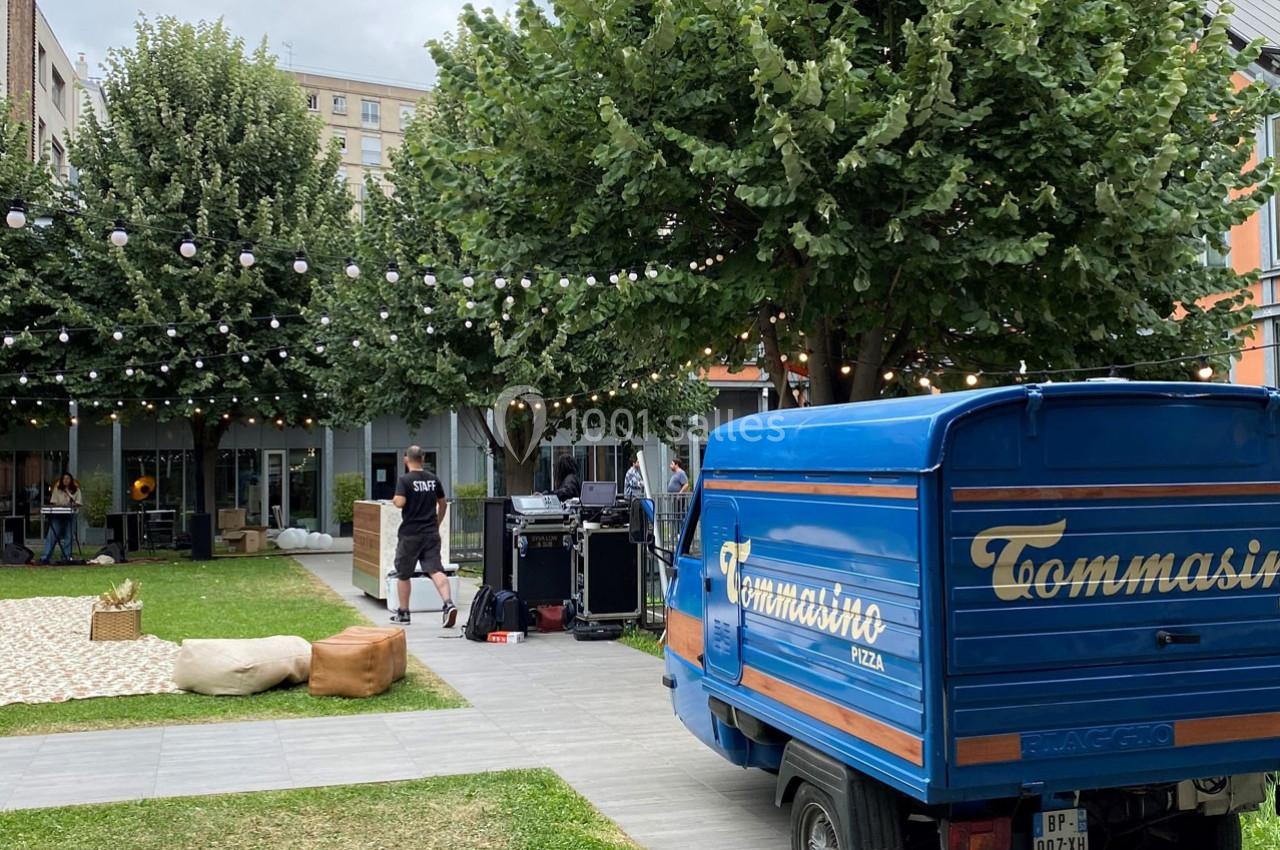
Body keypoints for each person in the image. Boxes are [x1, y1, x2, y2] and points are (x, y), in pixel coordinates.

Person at [390, 445, 455, 627]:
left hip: (410, 534)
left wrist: (395, 499)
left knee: (404, 574)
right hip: (430, 533)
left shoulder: (405, 480)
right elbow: (443, 504)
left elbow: (400, 502)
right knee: (435, 570)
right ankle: (448, 604)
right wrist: (437, 523)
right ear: (423, 459)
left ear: (406, 459)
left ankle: (403, 613)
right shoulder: (433, 479)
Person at [39, 472, 81, 564]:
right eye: (64, 479)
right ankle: (45, 557)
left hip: (71, 515)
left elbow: (78, 503)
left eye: (68, 478)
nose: (66, 480)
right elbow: (53, 502)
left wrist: (69, 494)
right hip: (58, 515)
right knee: (52, 535)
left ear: (71, 480)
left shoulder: (76, 490)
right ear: (62, 480)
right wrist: (59, 506)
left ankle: (66, 557)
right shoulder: (57, 489)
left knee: (69, 536)